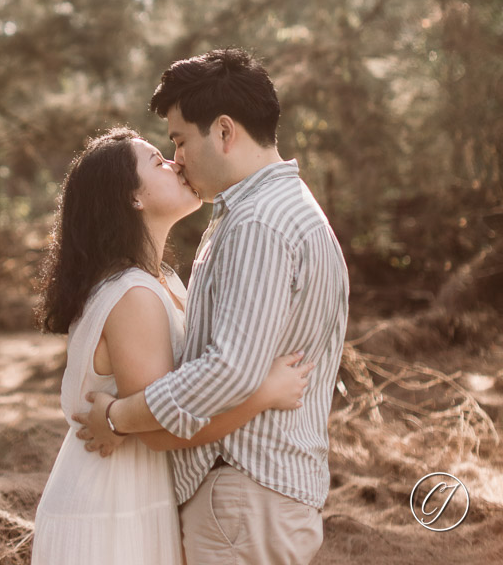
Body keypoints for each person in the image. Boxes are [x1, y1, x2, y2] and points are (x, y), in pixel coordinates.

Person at [76, 49, 350, 565]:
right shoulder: (270, 211)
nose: (175, 156)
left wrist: (117, 417)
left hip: (243, 495)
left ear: (224, 132)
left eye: (179, 139)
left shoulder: (258, 223)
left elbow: (230, 368)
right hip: (253, 496)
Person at [32, 125, 313, 565]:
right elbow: (163, 432)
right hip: (113, 506)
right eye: (157, 161)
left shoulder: (163, 282)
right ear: (133, 197)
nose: (175, 162)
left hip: (137, 494)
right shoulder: (134, 295)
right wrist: (264, 394)